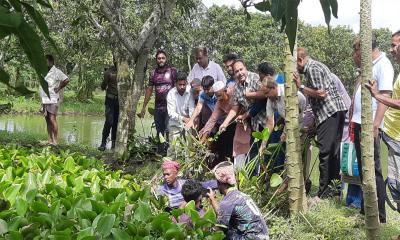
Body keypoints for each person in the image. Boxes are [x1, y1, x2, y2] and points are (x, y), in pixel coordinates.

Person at [294, 48, 347, 200]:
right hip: (332, 113)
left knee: (325, 154)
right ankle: (334, 192)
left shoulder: (312, 68)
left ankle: (322, 194)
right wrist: (314, 126)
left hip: (330, 113)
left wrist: (301, 86)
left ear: (300, 60)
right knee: (332, 154)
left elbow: (322, 94)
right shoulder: (314, 67)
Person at [351, 36, 394, 223]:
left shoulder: (383, 65)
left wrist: (376, 125)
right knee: (363, 169)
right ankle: (365, 211)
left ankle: (379, 216)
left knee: (373, 170)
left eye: (356, 49)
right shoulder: (369, 66)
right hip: (361, 124)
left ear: (364, 48)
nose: (354, 54)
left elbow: (385, 96)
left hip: (372, 126)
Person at [365, 30, 400, 211]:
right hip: (393, 136)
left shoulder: (385, 66)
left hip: (398, 138)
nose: (391, 49)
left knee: (397, 185)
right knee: (396, 186)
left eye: (394, 45)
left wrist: (377, 95)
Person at [219, 59, 266, 168]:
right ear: (234, 74)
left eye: (241, 69)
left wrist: (249, 95)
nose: (240, 73)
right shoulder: (237, 87)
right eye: (236, 71)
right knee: (254, 153)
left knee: (268, 153)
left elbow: (265, 95)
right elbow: (235, 108)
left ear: (246, 68)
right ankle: (254, 181)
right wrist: (225, 123)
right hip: (254, 125)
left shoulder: (256, 78)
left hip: (268, 121)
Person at [207, 161, 269, 239]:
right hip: (263, 237)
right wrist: (213, 200)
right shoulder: (241, 195)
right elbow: (222, 215)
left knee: (223, 233)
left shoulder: (227, 202)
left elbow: (220, 228)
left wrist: (205, 233)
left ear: (219, 183)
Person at [138, 50, 177, 155]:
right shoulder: (153, 73)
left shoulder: (172, 71)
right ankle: (160, 152)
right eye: (159, 58)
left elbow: (179, 87)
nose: (161, 60)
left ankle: (170, 153)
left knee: (169, 130)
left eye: (162, 58)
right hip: (158, 107)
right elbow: (149, 90)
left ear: (166, 58)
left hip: (171, 108)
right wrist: (144, 107)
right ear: (156, 60)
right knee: (159, 130)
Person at [39, 54, 70, 146]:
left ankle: (55, 141)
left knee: (52, 119)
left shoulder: (56, 71)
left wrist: (59, 87)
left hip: (53, 99)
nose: (44, 63)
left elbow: (66, 79)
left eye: (46, 61)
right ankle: (49, 140)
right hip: (44, 99)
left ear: (51, 62)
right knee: (47, 120)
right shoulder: (43, 71)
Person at [166, 72, 195, 144]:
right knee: (174, 148)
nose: (182, 87)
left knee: (189, 147)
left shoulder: (190, 91)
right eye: (180, 85)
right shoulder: (171, 94)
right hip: (175, 123)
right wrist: (184, 119)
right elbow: (171, 113)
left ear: (187, 83)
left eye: (184, 84)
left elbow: (192, 108)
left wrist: (191, 120)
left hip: (188, 122)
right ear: (175, 84)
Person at [98, 66, 118, 151]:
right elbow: (103, 85)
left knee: (116, 123)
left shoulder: (124, 70)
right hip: (110, 100)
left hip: (120, 102)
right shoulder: (109, 72)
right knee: (109, 121)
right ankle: (103, 142)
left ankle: (114, 144)